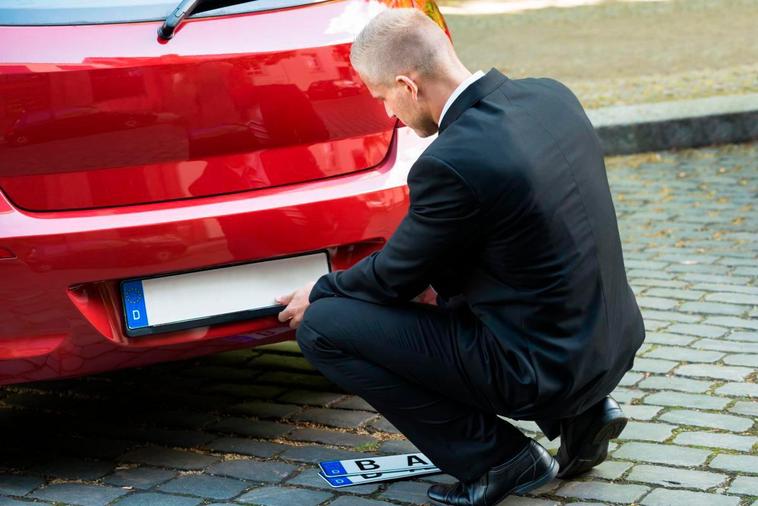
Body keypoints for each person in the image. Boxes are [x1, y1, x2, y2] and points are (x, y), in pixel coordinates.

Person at [276, 7, 645, 506]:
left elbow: (393, 278)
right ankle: (583, 413)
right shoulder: (550, 95)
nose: (389, 114)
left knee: (325, 327)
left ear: (408, 85)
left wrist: (319, 290)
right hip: (610, 341)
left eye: (384, 97)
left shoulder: (451, 162)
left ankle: (499, 460)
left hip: (539, 369)